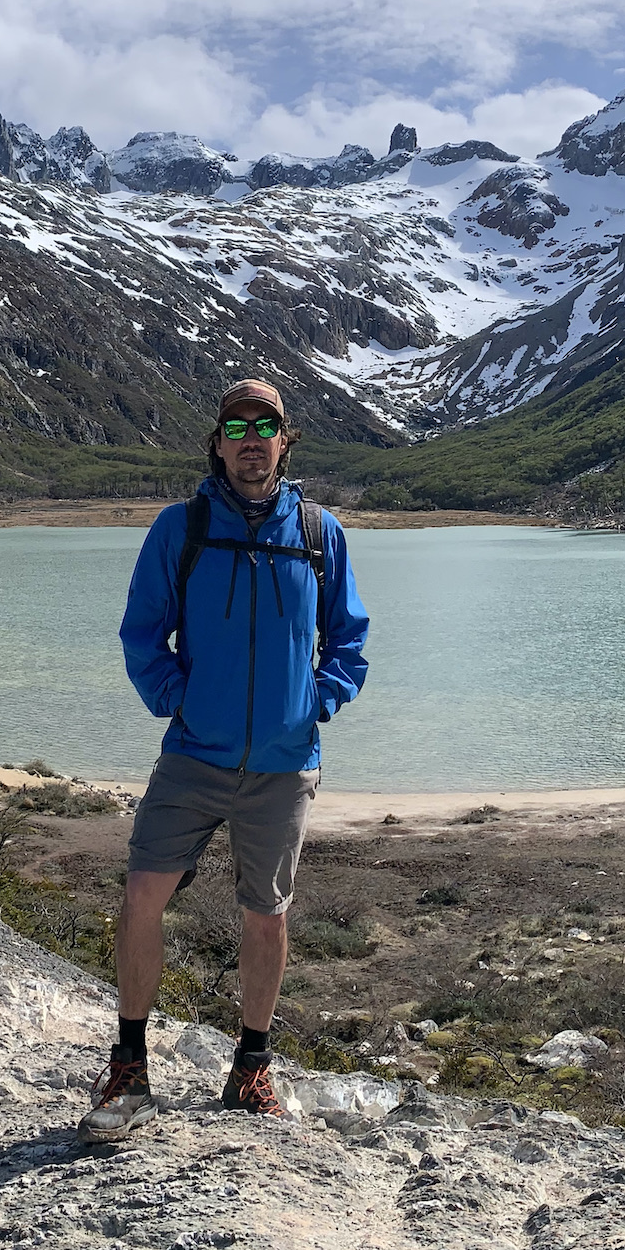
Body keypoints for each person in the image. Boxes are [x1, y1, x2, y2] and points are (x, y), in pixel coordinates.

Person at [84, 378, 369, 1143]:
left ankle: (250, 1066)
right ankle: (130, 1063)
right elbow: (142, 632)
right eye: (236, 425)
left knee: (266, 916)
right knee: (144, 892)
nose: (251, 438)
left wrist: (317, 703)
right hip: (193, 754)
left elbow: (349, 640)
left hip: (283, 764)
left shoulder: (318, 531)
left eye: (265, 425)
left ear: (286, 440)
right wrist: (178, 697)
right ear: (216, 442)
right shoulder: (182, 529)